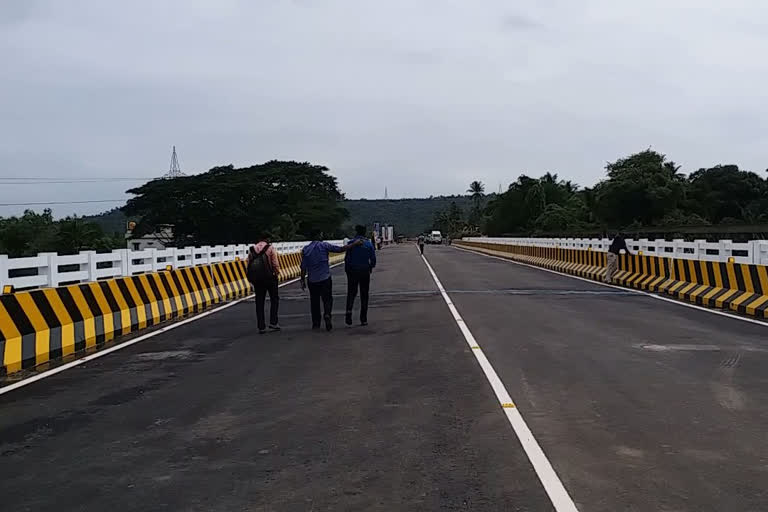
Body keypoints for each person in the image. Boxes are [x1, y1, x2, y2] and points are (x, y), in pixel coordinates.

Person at [300, 232, 362, 331]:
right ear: (319, 236)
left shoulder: (306, 249)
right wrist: (354, 244)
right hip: (325, 278)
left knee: (314, 301)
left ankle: (316, 323)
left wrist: (302, 279)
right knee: (327, 299)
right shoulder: (325, 245)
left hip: (312, 280)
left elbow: (303, 267)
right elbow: (340, 249)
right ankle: (327, 314)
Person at [247, 233, 281, 334]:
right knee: (274, 299)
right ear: (267, 239)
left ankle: (261, 326)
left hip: (257, 279)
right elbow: (275, 263)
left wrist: (250, 278)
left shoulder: (252, 249)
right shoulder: (270, 248)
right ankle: (273, 322)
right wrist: (277, 274)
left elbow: (248, 264)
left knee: (259, 301)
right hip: (270, 278)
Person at [345, 225, 377, 326]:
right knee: (364, 294)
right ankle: (363, 318)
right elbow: (373, 259)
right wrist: (370, 267)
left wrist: (348, 270)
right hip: (364, 271)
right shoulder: (368, 244)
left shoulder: (351, 244)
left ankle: (349, 312)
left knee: (351, 292)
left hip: (353, 271)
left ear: (356, 232)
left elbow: (347, 259)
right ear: (364, 232)